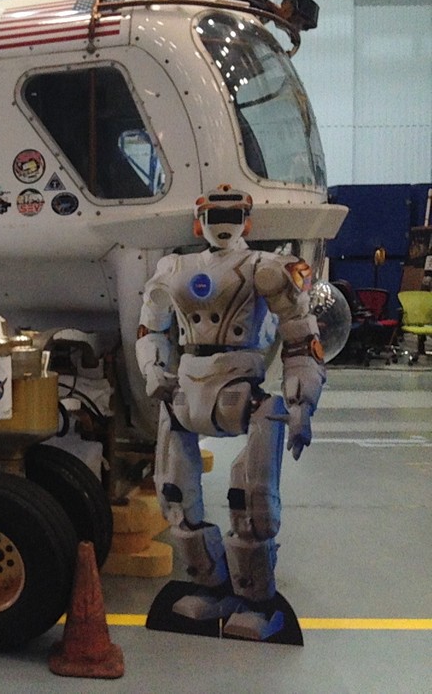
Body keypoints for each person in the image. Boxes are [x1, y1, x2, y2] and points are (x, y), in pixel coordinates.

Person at [136, 184, 325, 642]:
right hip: (186, 387)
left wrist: (302, 404)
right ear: (199, 220)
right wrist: (154, 370)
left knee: (252, 501)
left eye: (233, 212)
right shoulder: (172, 269)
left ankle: (257, 601)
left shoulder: (265, 268)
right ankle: (211, 585)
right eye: (214, 213)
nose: (223, 221)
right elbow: (151, 326)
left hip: (243, 388)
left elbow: (301, 336)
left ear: (247, 219)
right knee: (176, 496)